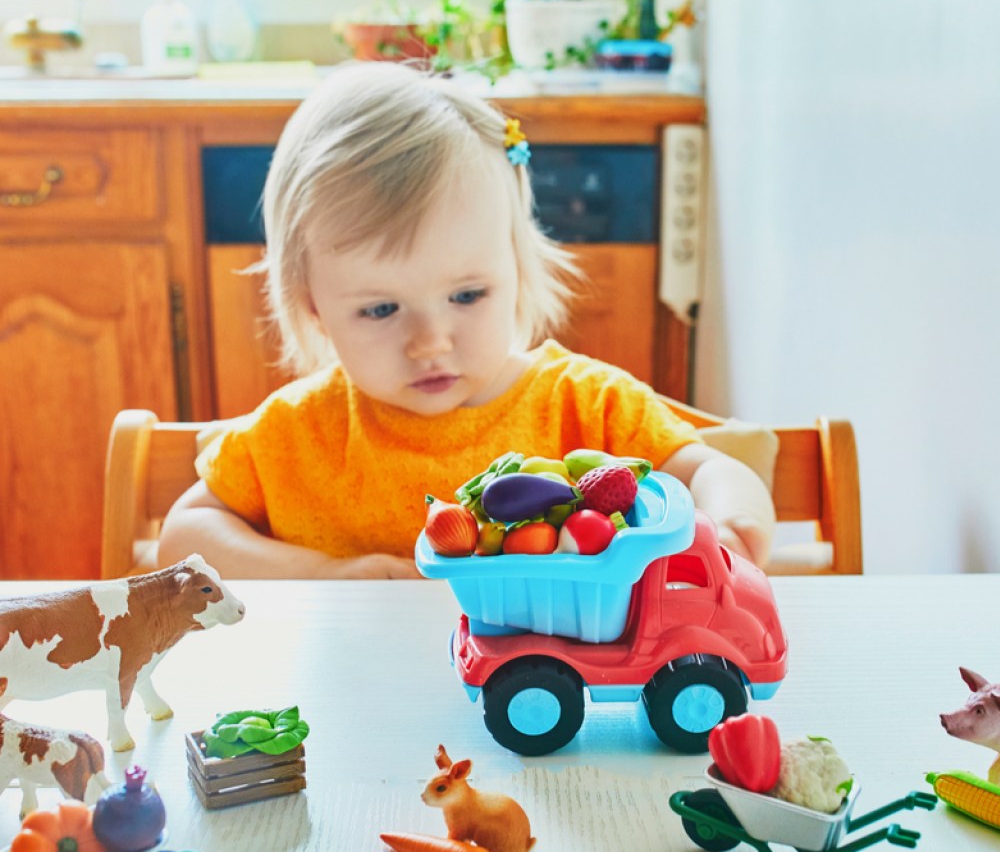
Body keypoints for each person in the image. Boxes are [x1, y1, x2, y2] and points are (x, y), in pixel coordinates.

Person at [158, 62, 774, 579]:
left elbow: (708, 469)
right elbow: (184, 538)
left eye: (467, 295)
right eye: (380, 309)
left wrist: (733, 522)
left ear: (517, 269)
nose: (430, 343)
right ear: (314, 305)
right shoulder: (297, 434)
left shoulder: (584, 407)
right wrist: (325, 574)